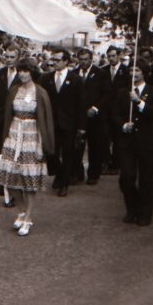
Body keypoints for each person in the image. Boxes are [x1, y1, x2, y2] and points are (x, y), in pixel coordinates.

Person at [0, 57, 55, 236]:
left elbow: (46, 120)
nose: (22, 74)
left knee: (29, 182)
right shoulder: (14, 90)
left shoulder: (40, 92)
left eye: (26, 71)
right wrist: (5, 138)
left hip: (32, 137)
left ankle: (28, 217)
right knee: (9, 179)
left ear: (32, 72)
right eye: (20, 71)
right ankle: (21, 211)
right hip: (14, 135)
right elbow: (7, 115)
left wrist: (41, 145)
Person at [112, 59, 153, 226]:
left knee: (146, 180)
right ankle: (132, 208)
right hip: (128, 142)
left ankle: (145, 213)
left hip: (147, 142)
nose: (133, 74)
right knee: (126, 177)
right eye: (131, 70)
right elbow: (116, 114)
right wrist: (123, 125)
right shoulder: (122, 92)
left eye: (137, 71)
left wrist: (139, 102)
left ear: (144, 73)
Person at [40, 48, 86, 198]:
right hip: (51, 123)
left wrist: (81, 127)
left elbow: (80, 104)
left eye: (58, 60)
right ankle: (59, 174)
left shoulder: (76, 79)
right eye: (53, 60)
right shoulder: (46, 78)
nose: (55, 63)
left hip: (69, 123)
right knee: (51, 153)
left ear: (66, 61)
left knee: (67, 153)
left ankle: (64, 183)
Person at [74, 48, 111, 185]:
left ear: (91, 59)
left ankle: (93, 174)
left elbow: (107, 94)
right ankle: (77, 173)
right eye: (81, 59)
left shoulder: (101, 73)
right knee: (77, 146)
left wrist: (96, 108)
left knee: (95, 146)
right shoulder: (74, 73)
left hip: (95, 117)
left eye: (86, 59)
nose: (83, 62)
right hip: (79, 117)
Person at [102, 45, 130, 175]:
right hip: (106, 109)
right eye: (109, 56)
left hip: (120, 110)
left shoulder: (126, 71)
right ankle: (106, 161)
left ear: (119, 56)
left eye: (113, 56)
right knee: (105, 136)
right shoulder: (103, 71)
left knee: (119, 137)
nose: (111, 59)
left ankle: (117, 163)